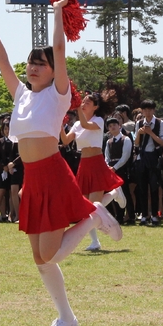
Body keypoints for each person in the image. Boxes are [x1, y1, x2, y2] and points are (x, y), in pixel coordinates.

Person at [0, 0, 121, 326]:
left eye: (40, 63)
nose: (33, 67)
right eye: (31, 62)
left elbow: (59, 50)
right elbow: (1, 58)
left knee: (50, 254)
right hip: (33, 178)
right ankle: (67, 319)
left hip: (54, 173)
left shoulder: (58, 93)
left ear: (53, 70)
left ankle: (93, 215)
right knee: (40, 259)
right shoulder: (21, 94)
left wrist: (57, 14)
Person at [60, 91, 126, 251]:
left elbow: (86, 125)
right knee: (86, 208)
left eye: (87, 103)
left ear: (95, 107)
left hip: (96, 163)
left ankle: (115, 193)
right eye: (82, 102)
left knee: (94, 206)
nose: (83, 104)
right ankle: (95, 242)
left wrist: (76, 110)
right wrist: (60, 125)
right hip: (84, 164)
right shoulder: (76, 124)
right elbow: (66, 140)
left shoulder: (98, 120)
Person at [134, 99, 163, 226]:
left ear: (154, 110)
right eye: (145, 110)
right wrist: (139, 133)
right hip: (142, 156)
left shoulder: (160, 123)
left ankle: (154, 214)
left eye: (150, 109)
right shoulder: (139, 123)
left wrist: (150, 133)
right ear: (142, 111)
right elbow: (136, 143)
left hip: (154, 156)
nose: (147, 112)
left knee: (154, 187)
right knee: (142, 187)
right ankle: (144, 214)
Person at [104, 117, 134, 224]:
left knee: (125, 193)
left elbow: (125, 156)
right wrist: (108, 167)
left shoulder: (125, 139)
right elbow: (106, 157)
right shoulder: (109, 142)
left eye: (114, 125)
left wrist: (115, 167)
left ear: (119, 126)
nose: (112, 127)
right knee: (115, 194)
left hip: (122, 169)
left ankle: (131, 216)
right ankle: (119, 217)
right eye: (110, 126)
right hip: (111, 170)